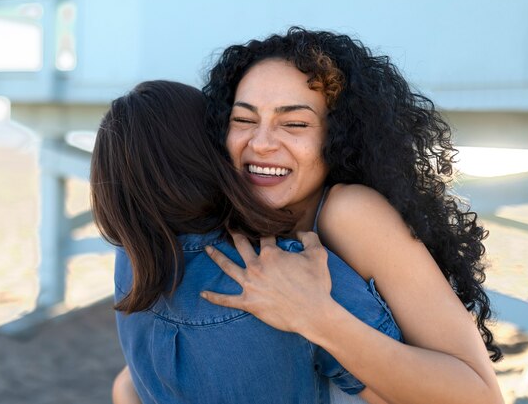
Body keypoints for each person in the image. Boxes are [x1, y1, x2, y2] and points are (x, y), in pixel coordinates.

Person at [196, 27, 505, 404]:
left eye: (295, 124)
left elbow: (480, 397)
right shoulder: (232, 225)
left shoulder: (350, 212)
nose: (260, 143)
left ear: (340, 135)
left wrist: (314, 315)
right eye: (243, 120)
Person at [91, 80, 404, 404]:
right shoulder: (291, 269)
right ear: (209, 150)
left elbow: (137, 380)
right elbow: (403, 389)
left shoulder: (130, 263)